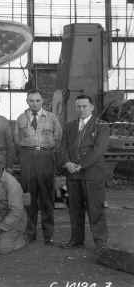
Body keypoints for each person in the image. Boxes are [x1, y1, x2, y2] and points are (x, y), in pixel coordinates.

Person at [59, 95, 110, 253]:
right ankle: (76, 239)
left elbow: (98, 150)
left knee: (96, 209)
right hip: (73, 175)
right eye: (78, 107)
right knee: (75, 209)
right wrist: (67, 163)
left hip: (92, 174)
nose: (81, 109)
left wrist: (80, 165)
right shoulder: (69, 126)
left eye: (84, 106)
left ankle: (100, 243)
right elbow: (63, 148)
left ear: (92, 107)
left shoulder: (102, 126)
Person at [15, 89, 62, 245]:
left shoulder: (52, 118)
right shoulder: (21, 118)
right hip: (27, 158)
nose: (34, 103)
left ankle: (48, 235)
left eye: (37, 101)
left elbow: (58, 138)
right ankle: (30, 233)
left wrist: (46, 152)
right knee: (29, 197)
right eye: (31, 101)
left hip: (46, 157)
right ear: (27, 102)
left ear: (42, 102)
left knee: (47, 197)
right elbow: (17, 139)